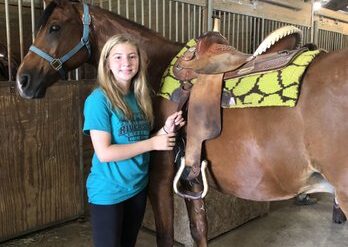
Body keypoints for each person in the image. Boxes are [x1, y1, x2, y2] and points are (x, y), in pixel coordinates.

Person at [83, 34, 185, 247]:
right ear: (107, 64)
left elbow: (139, 139)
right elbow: (105, 153)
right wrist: (152, 144)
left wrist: (165, 131)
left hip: (136, 188)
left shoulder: (140, 97)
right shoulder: (99, 100)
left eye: (132, 57)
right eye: (118, 57)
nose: (126, 63)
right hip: (109, 192)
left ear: (139, 61)